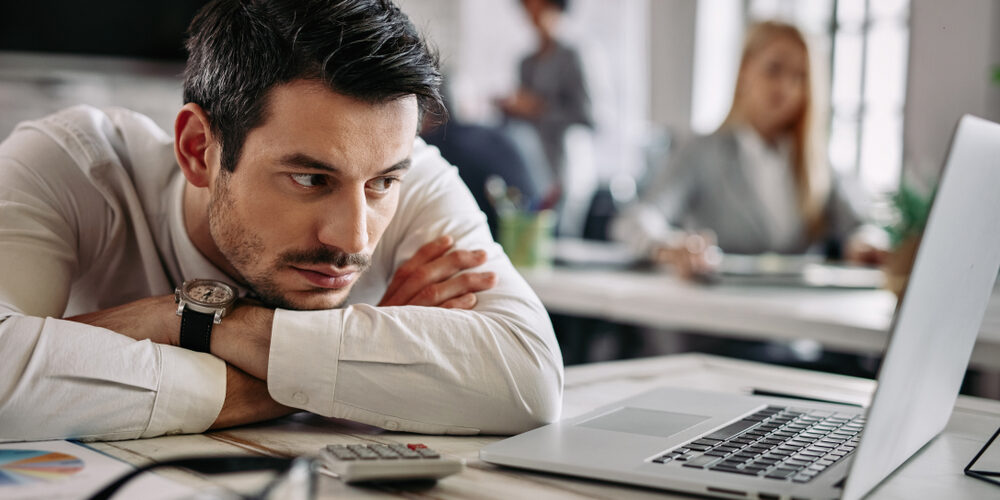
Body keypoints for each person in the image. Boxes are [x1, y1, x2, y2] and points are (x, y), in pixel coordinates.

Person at [0, 0, 562, 442]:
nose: (354, 238)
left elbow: (530, 380)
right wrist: (343, 373)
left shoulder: (416, 174)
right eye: (310, 180)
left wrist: (192, 324)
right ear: (199, 150)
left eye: (382, 184)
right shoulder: (74, 162)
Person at [612, 21, 886, 278]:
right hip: (713, 317)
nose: (785, 87)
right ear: (744, 70)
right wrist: (669, 245)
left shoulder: (815, 164)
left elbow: (861, 226)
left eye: (800, 77)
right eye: (774, 69)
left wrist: (866, 243)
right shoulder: (701, 151)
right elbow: (638, 219)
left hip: (792, 318)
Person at [495, 0, 593, 205]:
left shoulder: (573, 56)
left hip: (566, 163)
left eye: (539, 8)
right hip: (532, 163)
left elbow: (587, 116)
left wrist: (538, 108)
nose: (533, 14)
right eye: (529, 8)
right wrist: (510, 108)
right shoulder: (526, 62)